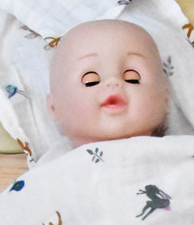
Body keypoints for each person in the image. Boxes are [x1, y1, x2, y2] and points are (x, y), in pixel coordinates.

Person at [46, 19, 170, 148]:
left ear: (165, 99)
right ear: (54, 107)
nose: (113, 81)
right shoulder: (55, 161)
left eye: (132, 78)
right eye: (90, 81)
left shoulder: (181, 150)